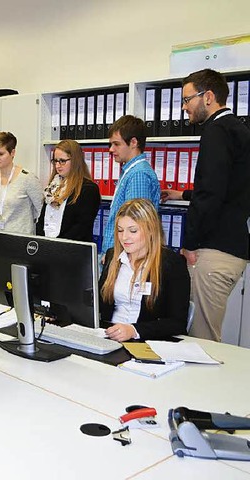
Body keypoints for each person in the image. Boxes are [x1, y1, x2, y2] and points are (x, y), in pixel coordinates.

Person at [161, 69, 250, 341]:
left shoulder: (216, 131)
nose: (184, 107)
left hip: (213, 252)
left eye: (187, 100)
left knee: (201, 339)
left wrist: (189, 243)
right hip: (233, 248)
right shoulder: (239, 130)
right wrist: (183, 195)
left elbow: (210, 195)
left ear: (208, 97)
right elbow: (228, 187)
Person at [99, 199, 190, 342]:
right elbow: (97, 305)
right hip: (108, 336)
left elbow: (177, 323)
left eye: (133, 231)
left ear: (150, 230)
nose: (124, 237)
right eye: (120, 230)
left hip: (146, 341)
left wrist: (134, 330)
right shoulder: (113, 257)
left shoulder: (171, 263)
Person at [101, 115, 160, 257]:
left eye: (116, 144)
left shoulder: (138, 174)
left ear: (133, 142)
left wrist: (116, 256)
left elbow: (135, 226)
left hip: (124, 256)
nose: (111, 149)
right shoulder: (131, 171)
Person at [36, 139, 101, 241]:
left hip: (72, 249)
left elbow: (81, 227)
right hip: (48, 246)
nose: (57, 165)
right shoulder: (53, 186)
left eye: (62, 161)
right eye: (55, 161)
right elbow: (41, 221)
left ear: (75, 161)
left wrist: (58, 244)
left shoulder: (88, 189)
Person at [0, 132, 42, 235]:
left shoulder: (27, 178)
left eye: (0, 154)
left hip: (21, 240)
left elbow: (41, 211)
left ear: (12, 153)